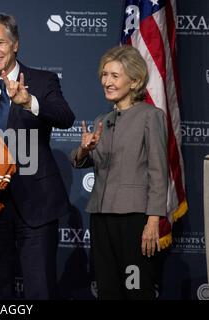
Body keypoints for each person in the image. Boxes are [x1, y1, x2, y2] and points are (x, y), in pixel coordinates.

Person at [0, 13, 75, 299]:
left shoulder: (43, 81)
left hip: (38, 204)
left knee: (40, 289)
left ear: (15, 44)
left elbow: (65, 117)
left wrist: (30, 102)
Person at [71, 45, 168, 299]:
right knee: (108, 289)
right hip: (101, 217)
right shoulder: (102, 120)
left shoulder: (150, 116)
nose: (107, 81)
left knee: (135, 288)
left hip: (134, 219)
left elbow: (159, 170)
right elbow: (82, 161)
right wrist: (84, 149)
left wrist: (154, 219)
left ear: (134, 80)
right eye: (104, 75)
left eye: (115, 75)